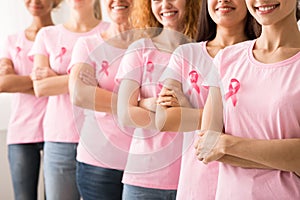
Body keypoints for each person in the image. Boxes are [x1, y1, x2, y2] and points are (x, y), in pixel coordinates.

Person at [195, 0, 300, 199]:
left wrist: (226, 145)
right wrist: (287, 159)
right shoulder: (226, 59)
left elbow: (217, 145)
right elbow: (206, 148)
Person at [154, 0, 259, 199]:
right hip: (197, 183)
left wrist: (189, 112)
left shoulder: (262, 58)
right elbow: (165, 119)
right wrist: (237, 119)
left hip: (249, 184)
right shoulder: (186, 54)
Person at [116, 0, 200, 199]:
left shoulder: (205, 50)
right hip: (144, 180)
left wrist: (144, 105)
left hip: (194, 178)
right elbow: (125, 114)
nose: (165, 5)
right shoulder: (140, 49)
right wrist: (157, 106)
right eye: (157, 0)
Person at [29, 0, 108, 199]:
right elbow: (40, 87)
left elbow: (118, 83)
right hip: (59, 139)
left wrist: (58, 79)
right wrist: (86, 77)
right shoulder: (47, 35)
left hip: (102, 140)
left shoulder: (112, 32)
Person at [67, 0, 139, 199]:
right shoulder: (88, 44)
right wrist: (141, 104)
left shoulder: (153, 46)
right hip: (97, 165)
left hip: (146, 168)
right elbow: (79, 94)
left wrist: (99, 95)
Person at [0, 0, 62, 199]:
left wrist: (19, 81)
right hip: (21, 133)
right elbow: (3, 84)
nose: (36, 1)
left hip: (58, 132)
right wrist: (48, 82)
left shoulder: (64, 36)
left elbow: (74, 84)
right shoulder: (12, 40)